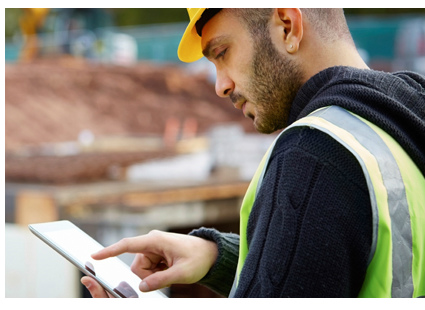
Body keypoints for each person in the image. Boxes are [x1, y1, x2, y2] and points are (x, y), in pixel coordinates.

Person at [81, 8, 425, 298]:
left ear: (287, 26)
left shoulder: (313, 156)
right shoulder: (402, 118)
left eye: (222, 53)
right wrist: (219, 256)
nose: (220, 86)